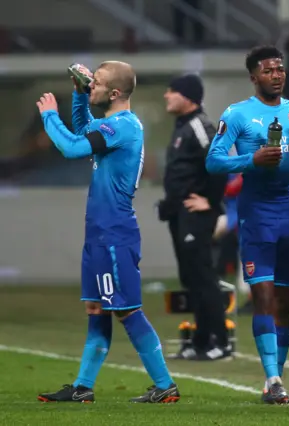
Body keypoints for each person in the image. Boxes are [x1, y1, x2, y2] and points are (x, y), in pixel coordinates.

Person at [36, 62, 179, 403]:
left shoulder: (124, 127)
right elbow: (86, 129)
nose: (91, 86)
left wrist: (50, 117)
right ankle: (83, 387)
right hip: (100, 233)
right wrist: (78, 95)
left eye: (95, 83)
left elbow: (72, 147)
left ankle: (165, 384)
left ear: (114, 93)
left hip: (116, 234)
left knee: (127, 309)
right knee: (97, 308)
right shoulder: (110, 125)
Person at [206, 45, 289, 405]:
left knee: (284, 302)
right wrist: (251, 159)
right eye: (268, 70)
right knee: (263, 296)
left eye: (280, 69)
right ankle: (274, 378)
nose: (276, 75)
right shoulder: (237, 115)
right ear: (253, 77)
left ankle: (274, 384)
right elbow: (214, 161)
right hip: (257, 214)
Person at [157, 73, 230, 361]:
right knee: (191, 277)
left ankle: (219, 342)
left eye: (171, 91)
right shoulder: (182, 126)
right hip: (180, 214)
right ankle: (200, 342)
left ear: (187, 96)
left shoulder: (200, 125)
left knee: (203, 276)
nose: (166, 95)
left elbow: (219, 162)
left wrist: (210, 201)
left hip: (196, 215)